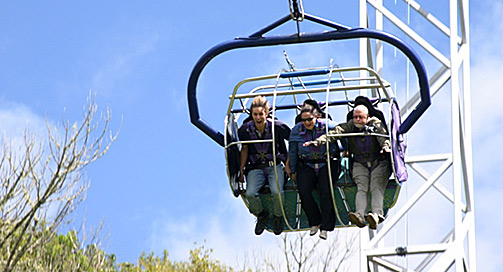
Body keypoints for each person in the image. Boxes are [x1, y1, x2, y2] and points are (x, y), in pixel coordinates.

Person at [304, 104, 391, 230]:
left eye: (360, 117)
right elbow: (335, 133)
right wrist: (318, 141)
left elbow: (383, 137)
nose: (357, 120)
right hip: (360, 162)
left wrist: (385, 147)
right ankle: (359, 215)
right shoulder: (350, 126)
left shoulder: (375, 124)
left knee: (376, 186)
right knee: (362, 187)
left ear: (367, 117)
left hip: (378, 161)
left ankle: (376, 215)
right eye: (355, 117)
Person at [238, 96, 291, 235]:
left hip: (275, 165)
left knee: (276, 191)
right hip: (255, 167)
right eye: (255, 114)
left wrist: (288, 164)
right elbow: (245, 149)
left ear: (266, 114)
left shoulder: (277, 127)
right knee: (250, 193)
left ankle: (278, 216)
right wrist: (241, 170)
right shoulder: (245, 130)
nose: (258, 118)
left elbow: (293, 140)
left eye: (261, 114)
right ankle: (261, 214)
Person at [287, 101, 337, 240]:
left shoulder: (327, 125)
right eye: (304, 120)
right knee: (303, 191)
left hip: (325, 162)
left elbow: (341, 133)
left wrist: (343, 150)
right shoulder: (296, 130)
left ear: (316, 117)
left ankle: (326, 226)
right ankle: (314, 221)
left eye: (309, 119)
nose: (307, 122)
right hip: (306, 163)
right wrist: (292, 169)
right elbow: (293, 151)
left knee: (325, 191)